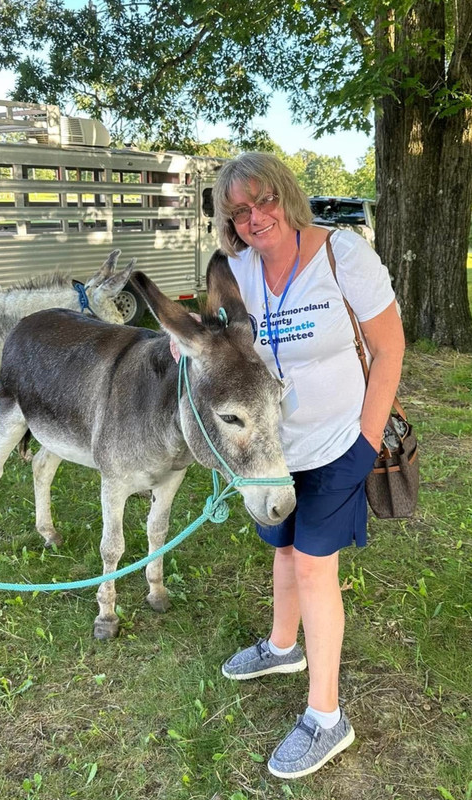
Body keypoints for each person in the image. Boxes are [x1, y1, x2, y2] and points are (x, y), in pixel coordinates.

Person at [211, 152, 405, 779]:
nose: (255, 217)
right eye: (239, 211)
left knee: (317, 567)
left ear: (286, 195)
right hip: (273, 454)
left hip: (338, 443)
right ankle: (282, 646)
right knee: (286, 549)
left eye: (263, 200)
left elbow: (388, 344)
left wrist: (366, 438)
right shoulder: (236, 271)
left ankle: (326, 718)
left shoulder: (341, 254)